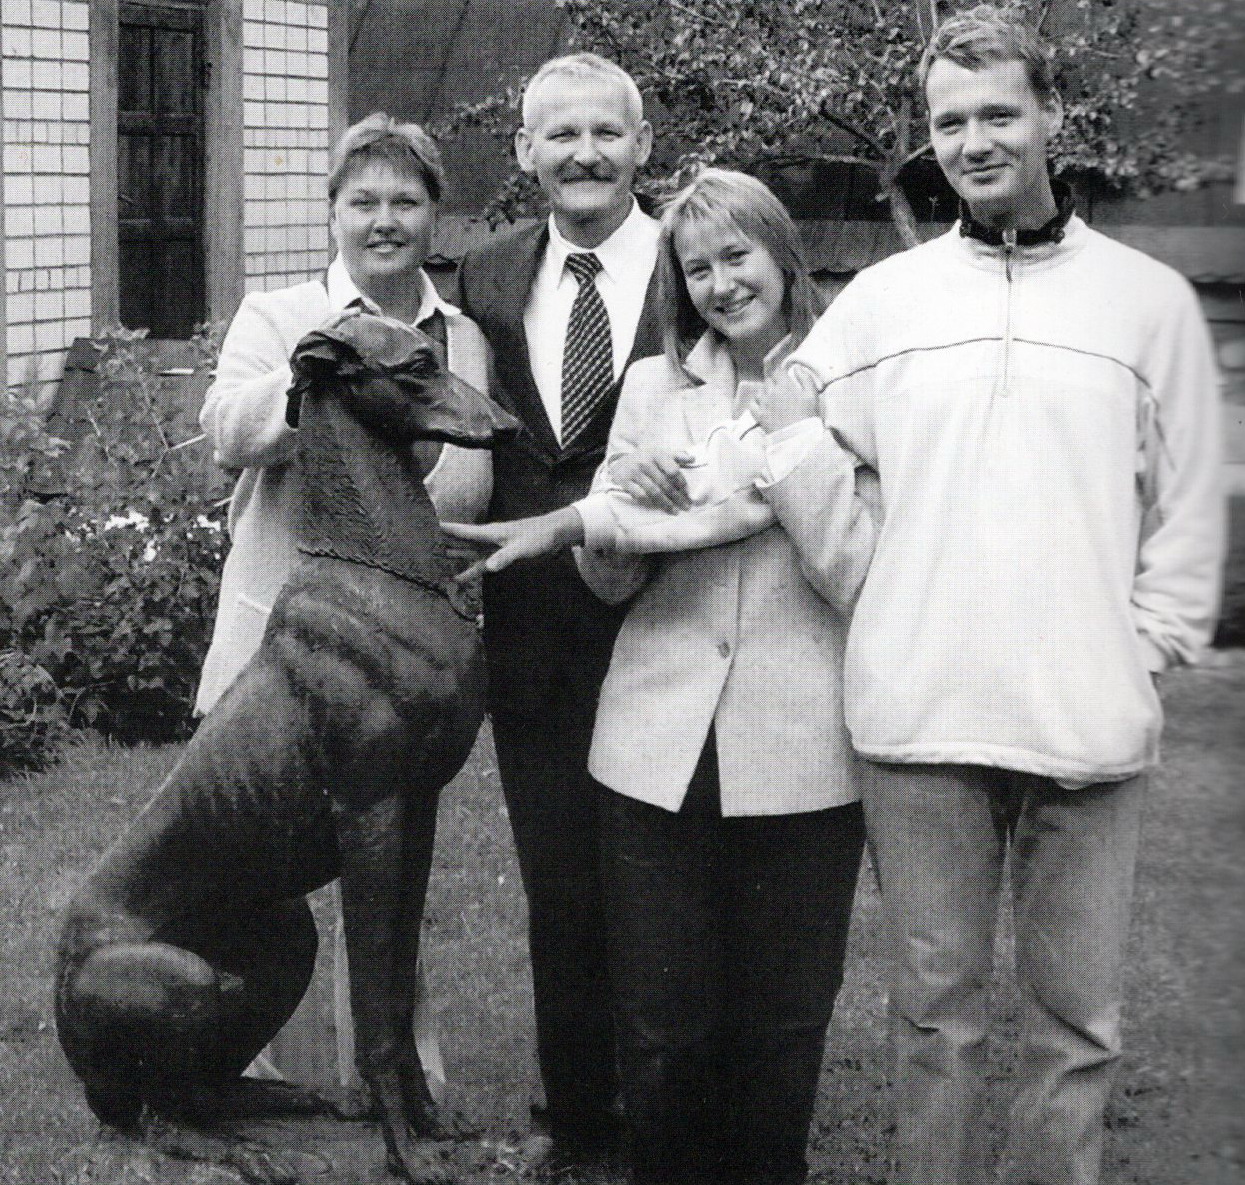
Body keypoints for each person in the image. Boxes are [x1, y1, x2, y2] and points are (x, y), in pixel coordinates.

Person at [751, 8, 1225, 1184]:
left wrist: (1146, 646)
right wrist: (873, 585)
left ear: (1052, 115)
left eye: (999, 114)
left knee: (1078, 1026)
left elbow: (1191, 500)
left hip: (1085, 722)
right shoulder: (885, 301)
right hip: (922, 720)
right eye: (950, 121)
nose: (973, 142)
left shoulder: (1146, 301)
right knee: (934, 1020)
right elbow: (790, 427)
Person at [449, 168, 873, 1185]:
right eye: (698, 268)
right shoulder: (651, 387)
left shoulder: (857, 387)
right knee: (660, 1026)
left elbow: (857, 571)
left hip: (803, 754)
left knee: (779, 1026)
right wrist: (616, 512)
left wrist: (791, 441)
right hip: (654, 753)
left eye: (737, 256)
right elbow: (607, 584)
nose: (723, 283)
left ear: (782, 256)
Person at [196, 112, 492, 1097]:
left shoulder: (462, 341)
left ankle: (395, 1076)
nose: (384, 220)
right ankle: (265, 1080)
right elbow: (228, 430)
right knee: (262, 892)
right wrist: (323, 378)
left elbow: (466, 491)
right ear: (332, 214)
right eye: (362, 200)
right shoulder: (279, 318)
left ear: (434, 215)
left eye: (406, 200)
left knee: (385, 868)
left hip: (398, 672)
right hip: (277, 666)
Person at [451, 52, 664, 1166]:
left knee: (665, 880)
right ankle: (578, 1119)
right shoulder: (487, 273)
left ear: (642, 146)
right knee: (559, 881)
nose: (585, 154)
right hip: (532, 629)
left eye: (606, 133)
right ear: (525, 150)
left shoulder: (694, 264)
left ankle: (674, 1111)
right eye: (561, 135)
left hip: (670, 617)